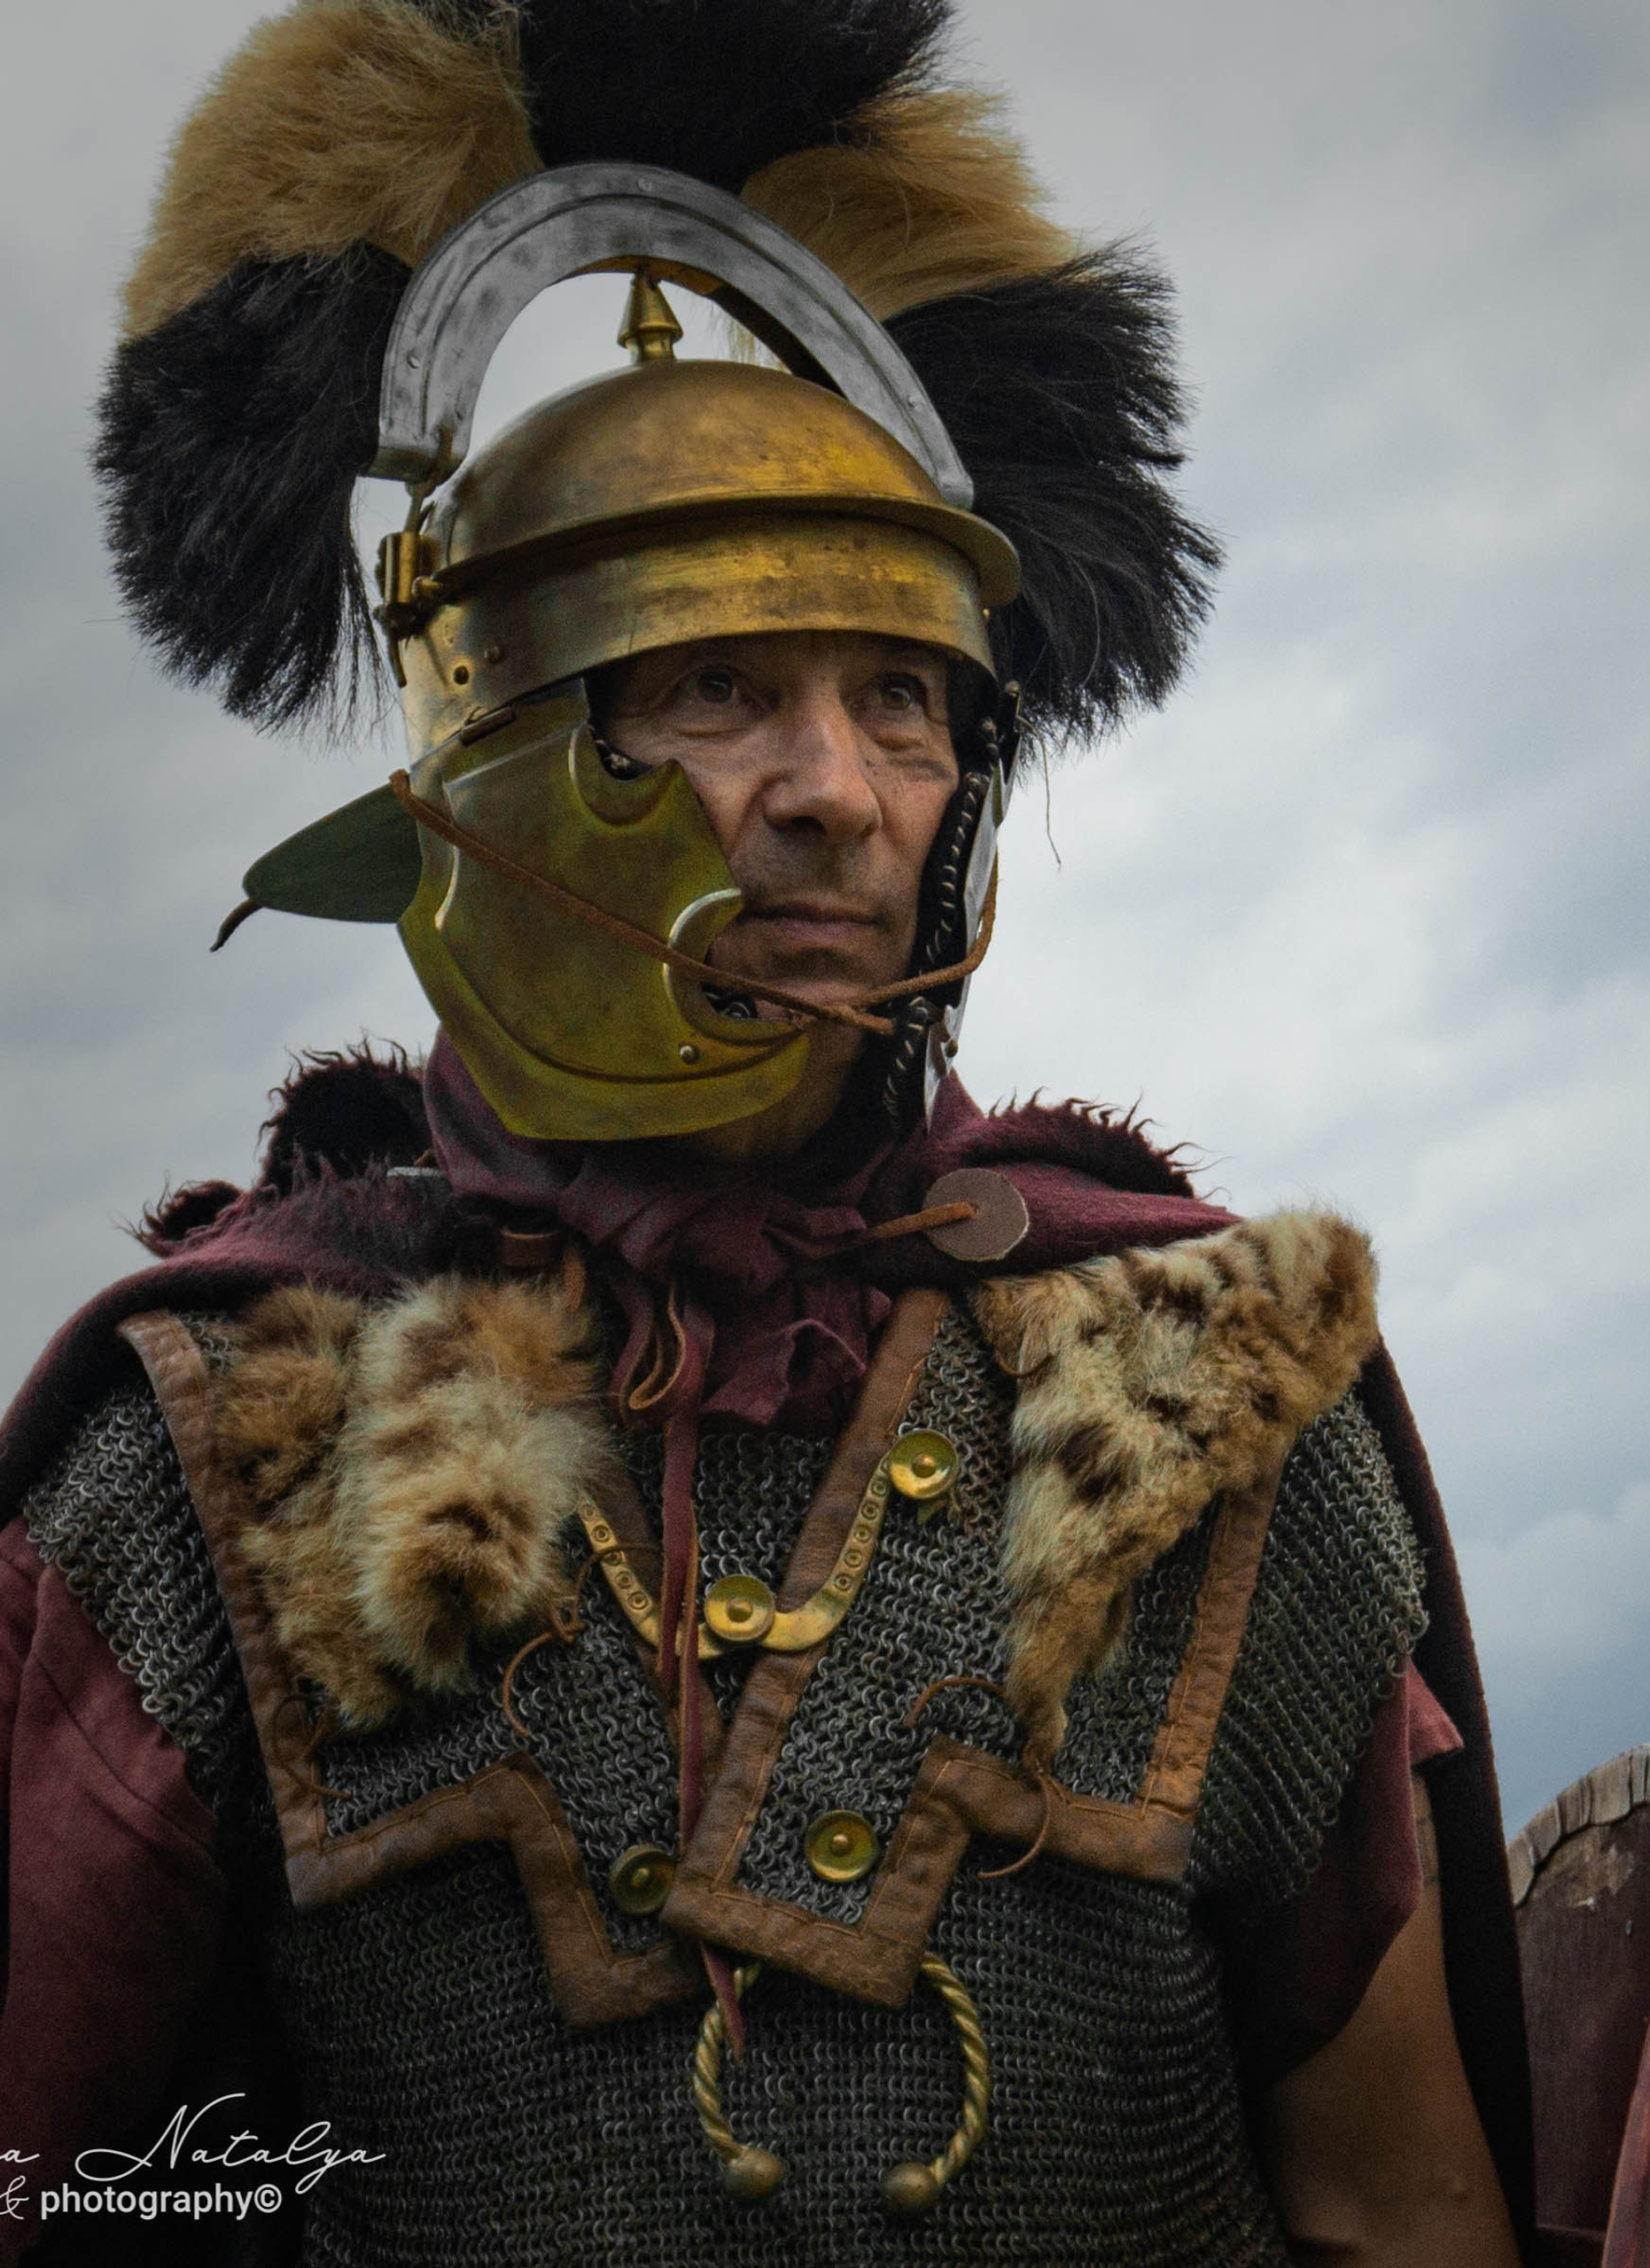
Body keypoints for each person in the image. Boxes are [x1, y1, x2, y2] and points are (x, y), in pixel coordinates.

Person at [0, 3, 1531, 2262]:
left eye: (899, 697)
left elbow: (1403, 2211)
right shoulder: (230, 1437)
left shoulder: (1193, 1397)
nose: (833, 790)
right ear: (495, 759)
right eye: (720, 685)